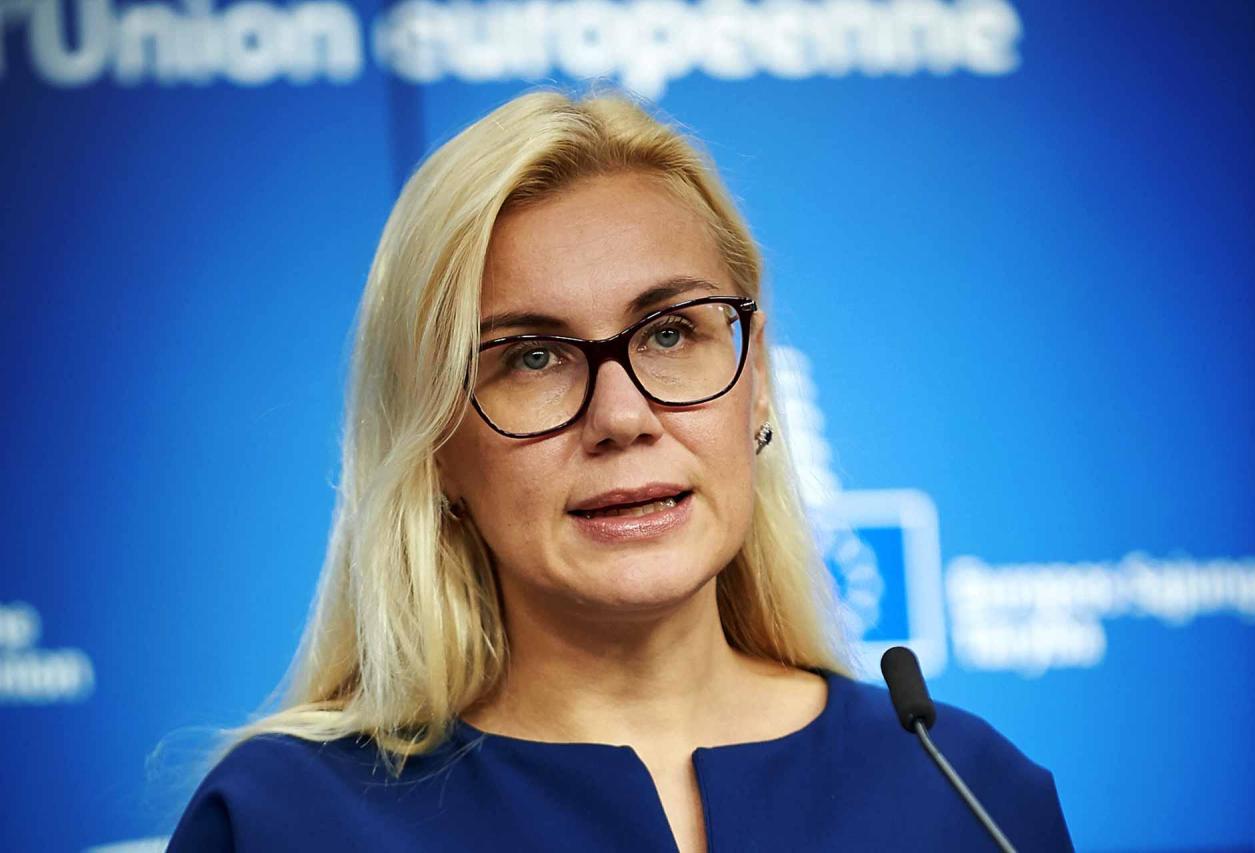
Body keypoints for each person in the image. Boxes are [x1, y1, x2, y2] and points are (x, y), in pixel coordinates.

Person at [167, 90, 1072, 852]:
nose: (622, 418)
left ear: (757, 380)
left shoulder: (967, 791)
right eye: (531, 357)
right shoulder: (285, 821)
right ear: (435, 443)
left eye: (671, 333)